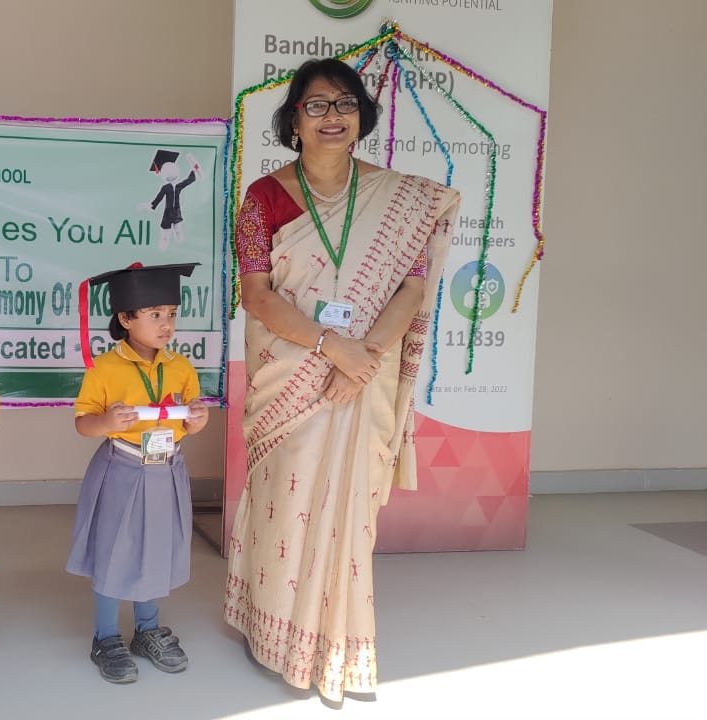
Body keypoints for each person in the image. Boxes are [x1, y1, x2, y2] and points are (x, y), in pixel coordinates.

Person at [224, 58, 461, 702]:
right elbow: (257, 296)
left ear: (362, 115)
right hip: (292, 371)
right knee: (286, 500)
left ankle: (336, 641)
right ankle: (272, 631)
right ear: (294, 120)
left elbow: (412, 288)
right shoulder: (264, 198)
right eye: (317, 104)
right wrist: (333, 348)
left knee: (349, 513)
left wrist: (364, 360)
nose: (334, 116)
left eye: (346, 103)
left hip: (363, 374)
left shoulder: (399, 198)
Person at [67, 262, 210, 684]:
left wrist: (196, 421)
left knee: (156, 548)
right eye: (154, 314)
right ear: (126, 319)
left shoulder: (180, 367)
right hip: (123, 468)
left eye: (171, 314)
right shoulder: (104, 369)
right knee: (114, 550)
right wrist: (107, 421)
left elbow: (189, 419)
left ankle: (147, 630)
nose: (166, 324)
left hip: (167, 469)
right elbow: (83, 424)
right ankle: (106, 636)